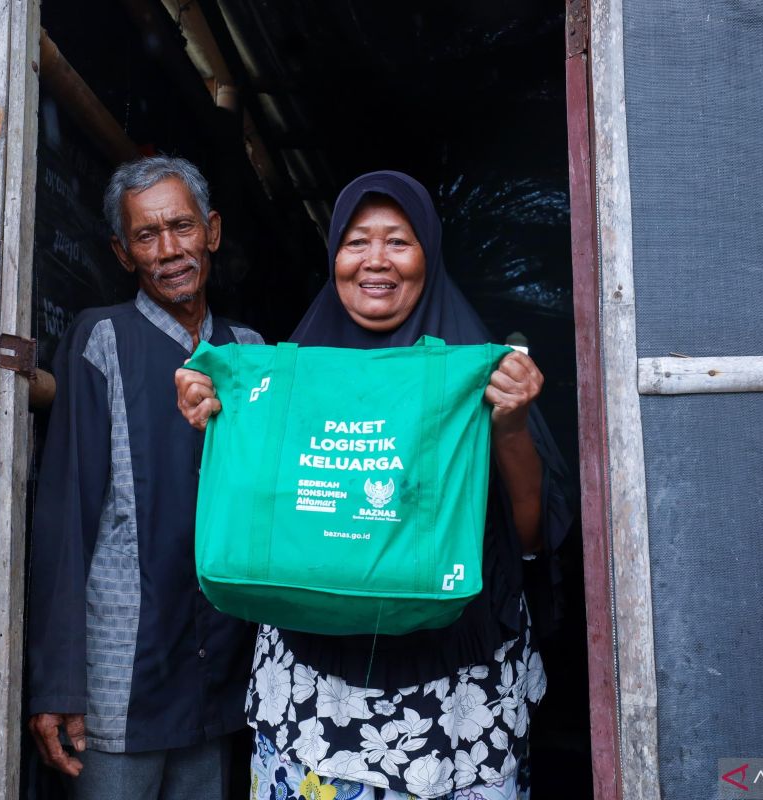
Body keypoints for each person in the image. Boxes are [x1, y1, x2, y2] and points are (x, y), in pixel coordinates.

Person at [175, 171, 574, 800]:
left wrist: (512, 425)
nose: (376, 262)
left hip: (453, 697)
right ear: (333, 255)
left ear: (429, 255)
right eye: (357, 242)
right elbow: (265, 506)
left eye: (398, 242)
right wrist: (215, 413)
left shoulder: (481, 368)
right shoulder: (287, 374)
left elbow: (531, 536)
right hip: (315, 692)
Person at [26, 155, 264, 798]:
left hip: (220, 667)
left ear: (211, 231)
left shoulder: (249, 351)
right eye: (146, 235)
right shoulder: (100, 340)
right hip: (118, 674)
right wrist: (57, 685)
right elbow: (64, 518)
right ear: (122, 252)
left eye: (182, 227)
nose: (169, 250)